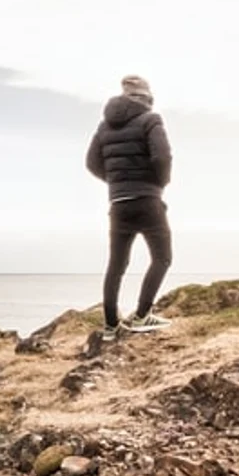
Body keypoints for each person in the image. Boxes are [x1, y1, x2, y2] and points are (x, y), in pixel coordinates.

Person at [85, 74, 173, 343]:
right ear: (147, 97)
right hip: (148, 200)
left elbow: (91, 163)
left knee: (116, 265)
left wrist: (116, 183)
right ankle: (142, 316)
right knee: (162, 258)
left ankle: (111, 326)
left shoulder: (104, 127)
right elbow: (162, 156)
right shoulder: (151, 119)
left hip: (119, 204)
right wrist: (159, 182)